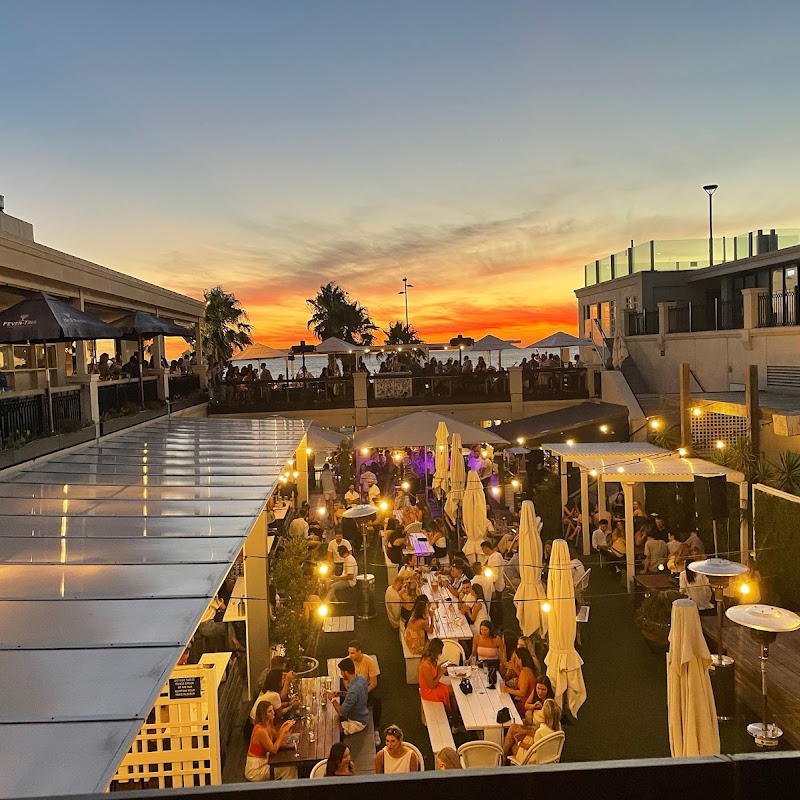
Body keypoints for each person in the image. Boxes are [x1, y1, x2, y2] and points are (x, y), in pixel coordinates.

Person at [244, 701, 296, 781]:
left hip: (264, 761)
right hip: (255, 769)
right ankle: (288, 791)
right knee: (289, 769)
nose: (273, 713)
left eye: (272, 710)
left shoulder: (268, 724)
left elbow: (275, 738)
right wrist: (283, 732)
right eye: (269, 711)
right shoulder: (260, 730)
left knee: (289, 765)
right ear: (263, 714)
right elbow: (273, 750)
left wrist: (283, 728)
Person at [327, 657, 369, 735]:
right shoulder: (361, 678)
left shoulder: (353, 689)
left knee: (332, 730)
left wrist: (332, 699)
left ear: (346, 672)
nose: (341, 674)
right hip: (363, 715)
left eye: (341, 672)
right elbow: (355, 696)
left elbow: (341, 712)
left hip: (357, 722)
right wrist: (338, 693)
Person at [347, 641, 382, 731]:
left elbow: (373, 683)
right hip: (352, 689)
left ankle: (376, 729)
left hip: (366, 689)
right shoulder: (347, 661)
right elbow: (345, 680)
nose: (350, 656)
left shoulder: (369, 661)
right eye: (349, 653)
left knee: (377, 700)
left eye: (353, 653)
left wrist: (363, 693)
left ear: (360, 652)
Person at [418, 638, 454, 713]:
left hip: (434, 686)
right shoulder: (426, 665)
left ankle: (452, 714)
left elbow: (433, 672)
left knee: (452, 689)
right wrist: (440, 673)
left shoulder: (432, 659)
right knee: (451, 691)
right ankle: (452, 714)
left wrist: (442, 665)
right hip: (428, 691)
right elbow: (431, 685)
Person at [501, 648, 537, 716]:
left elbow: (522, 693)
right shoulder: (527, 670)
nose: (516, 661)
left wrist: (507, 690)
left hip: (524, 704)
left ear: (520, 660)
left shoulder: (525, 672)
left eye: (516, 659)